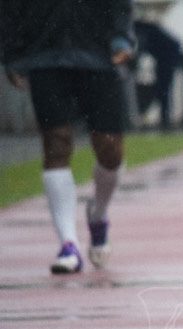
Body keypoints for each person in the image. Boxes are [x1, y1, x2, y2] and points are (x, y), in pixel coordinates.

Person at [0, 0, 134, 275]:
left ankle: (98, 214)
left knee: (110, 150)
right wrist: (12, 52)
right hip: (45, 54)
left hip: (98, 52)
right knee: (55, 144)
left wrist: (121, 38)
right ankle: (68, 244)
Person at [133, 19, 182, 131]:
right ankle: (165, 117)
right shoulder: (152, 30)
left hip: (167, 60)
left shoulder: (146, 32)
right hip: (166, 60)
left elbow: (141, 48)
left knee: (163, 89)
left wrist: (135, 63)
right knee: (164, 89)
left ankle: (165, 118)